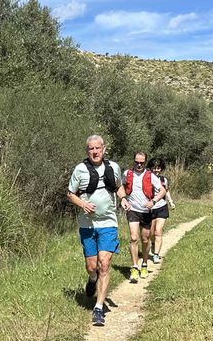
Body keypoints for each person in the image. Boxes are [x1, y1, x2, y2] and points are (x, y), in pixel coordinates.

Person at [67, 135, 128, 327]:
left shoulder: (113, 168)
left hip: (109, 223)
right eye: (91, 149)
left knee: (104, 263)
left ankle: (99, 308)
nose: (95, 152)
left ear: (104, 149)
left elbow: (118, 188)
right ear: (87, 151)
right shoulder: (80, 170)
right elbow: (70, 194)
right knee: (92, 266)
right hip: (87, 225)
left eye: (98, 148)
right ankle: (92, 279)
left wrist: (124, 199)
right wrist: (83, 204)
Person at [120, 152, 166, 283]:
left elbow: (162, 190)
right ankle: (134, 267)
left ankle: (144, 264)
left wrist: (154, 201)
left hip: (146, 211)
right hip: (132, 210)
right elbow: (121, 186)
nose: (139, 165)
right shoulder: (127, 173)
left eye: (142, 163)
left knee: (145, 239)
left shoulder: (150, 176)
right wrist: (123, 199)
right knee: (134, 238)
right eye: (137, 162)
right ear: (133, 161)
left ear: (145, 163)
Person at [147, 158, 175, 264]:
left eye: (158, 168)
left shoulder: (164, 180)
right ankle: (153, 244)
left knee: (158, 231)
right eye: (154, 168)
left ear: (161, 169)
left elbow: (166, 192)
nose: (156, 170)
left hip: (162, 207)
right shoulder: (146, 179)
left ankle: (156, 255)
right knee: (151, 232)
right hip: (150, 208)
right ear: (150, 168)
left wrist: (171, 201)